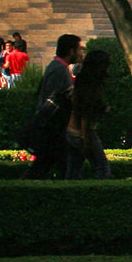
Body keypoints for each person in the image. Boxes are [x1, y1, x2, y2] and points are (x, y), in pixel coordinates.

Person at [27, 34, 82, 178]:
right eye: (79, 50)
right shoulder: (58, 70)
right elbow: (50, 100)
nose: (81, 53)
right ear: (71, 51)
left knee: (49, 165)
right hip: (53, 128)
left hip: (56, 129)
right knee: (46, 166)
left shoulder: (59, 68)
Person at [64, 49, 113, 179]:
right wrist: (86, 139)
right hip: (82, 132)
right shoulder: (91, 85)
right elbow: (85, 113)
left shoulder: (82, 80)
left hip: (72, 131)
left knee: (74, 170)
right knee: (102, 168)